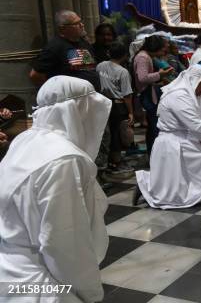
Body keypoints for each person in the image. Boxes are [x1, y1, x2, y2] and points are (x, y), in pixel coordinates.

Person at [0, 76, 111, 302]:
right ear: (77, 111)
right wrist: (90, 293)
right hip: (40, 284)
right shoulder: (65, 159)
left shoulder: (25, 140)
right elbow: (64, 243)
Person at [133, 66, 201, 209]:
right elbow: (195, 126)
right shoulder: (178, 96)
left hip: (180, 140)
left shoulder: (184, 93)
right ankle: (146, 183)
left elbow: (192, 124)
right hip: (173, 143)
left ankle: (151, 184)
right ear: (194, 81)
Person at [30, 10, 100, 91]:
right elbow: (35, 75)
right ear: (62, 28)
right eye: (76, 23)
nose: (82, 25)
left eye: (81, 22)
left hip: (91, 94)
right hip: (71, 99)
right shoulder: (54, 47)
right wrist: (56, 92)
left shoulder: (84, 42)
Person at [96, 42, 135, 176]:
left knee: (107, 134)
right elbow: (127, 94)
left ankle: (108, 161)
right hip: (118, 105)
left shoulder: (100, 65)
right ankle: (116, 163)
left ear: (109, 53)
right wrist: (130, 112)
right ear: (124, 56)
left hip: (102, 103)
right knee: (118, 134)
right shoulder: (123, 72)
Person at [133, 35, 173, 154]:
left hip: (149, 93)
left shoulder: (146, 56)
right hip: (146, 94)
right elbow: (142, 78)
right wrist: (160, 74)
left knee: (154, 127)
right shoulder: (143, 57)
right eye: (161, 49)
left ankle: (155, 154)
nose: (162, 52)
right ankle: (154, 155)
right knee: (153, 127)